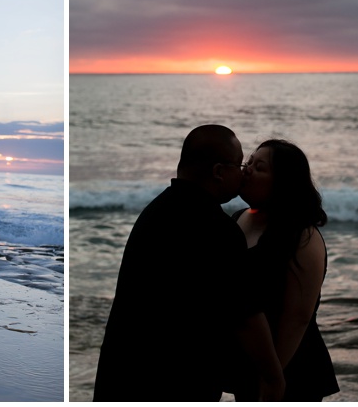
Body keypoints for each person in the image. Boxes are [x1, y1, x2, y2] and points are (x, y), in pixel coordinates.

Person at [92, 124, 285, 401]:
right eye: (239, 164)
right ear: (219, 172)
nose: (243, 172)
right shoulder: (216, 228)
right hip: (173, 384)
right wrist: (273, 377)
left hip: (122, 376)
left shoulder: (155, 211)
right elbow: (244, 315)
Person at [226, 139, 340, 401]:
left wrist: (273, 376)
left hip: (292, 366)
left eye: (260, 167)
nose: (247, 169)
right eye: (249, 162)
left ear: (282, 182)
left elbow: (298, 316)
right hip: (251, 361)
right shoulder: (237, 219)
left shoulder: (303, 236)